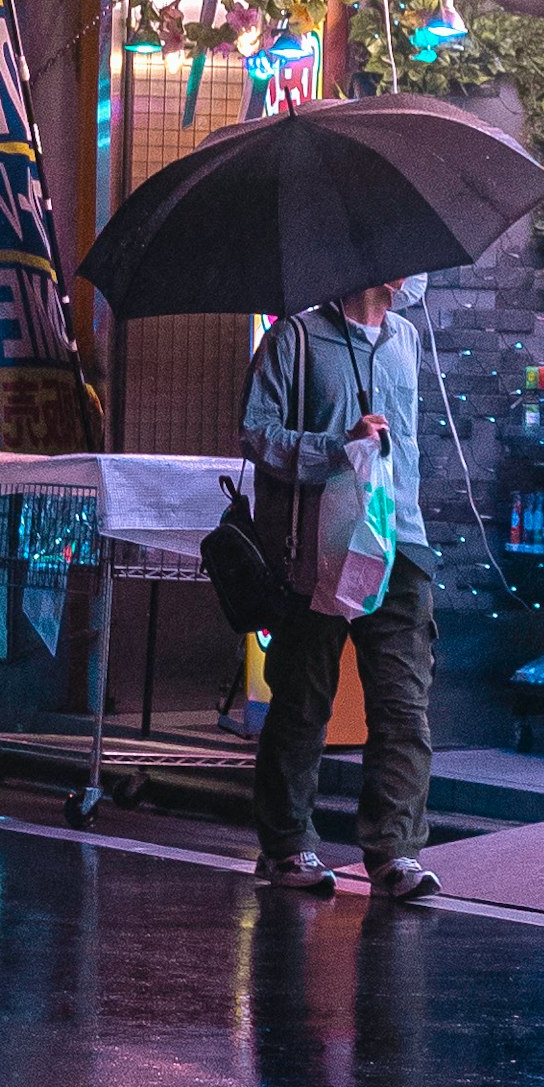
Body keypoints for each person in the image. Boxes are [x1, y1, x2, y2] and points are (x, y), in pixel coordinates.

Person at [235, 272, 439, 896]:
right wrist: (335, 446)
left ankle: (393, 851)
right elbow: (254, 431)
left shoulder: (405, 339)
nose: (414, 270)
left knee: (403, 703)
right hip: (317, 543)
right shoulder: (295, 338)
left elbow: (404, 443)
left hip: (400, 539)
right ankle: (287, 844)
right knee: (303, 699)